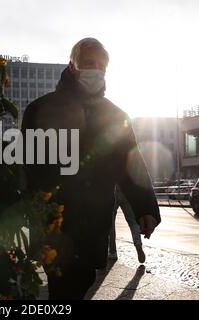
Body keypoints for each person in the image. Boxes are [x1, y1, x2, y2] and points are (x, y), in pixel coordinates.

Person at [21, 37, 160, 300]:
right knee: (64, 288)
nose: (95, 70)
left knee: (82, 280)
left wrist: (146, 207)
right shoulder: (40, 109)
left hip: (93, 223)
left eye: (101, 66)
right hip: (55, 224)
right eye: (88, 63)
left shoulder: (115, 117)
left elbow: (130, 163)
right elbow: (27, 167)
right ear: (72, 65)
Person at [108, 185, 146, 263]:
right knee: (132, 222)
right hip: (125, 191)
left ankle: (112, 252)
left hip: (112, 191)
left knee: (111, 223)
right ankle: (138, 243)